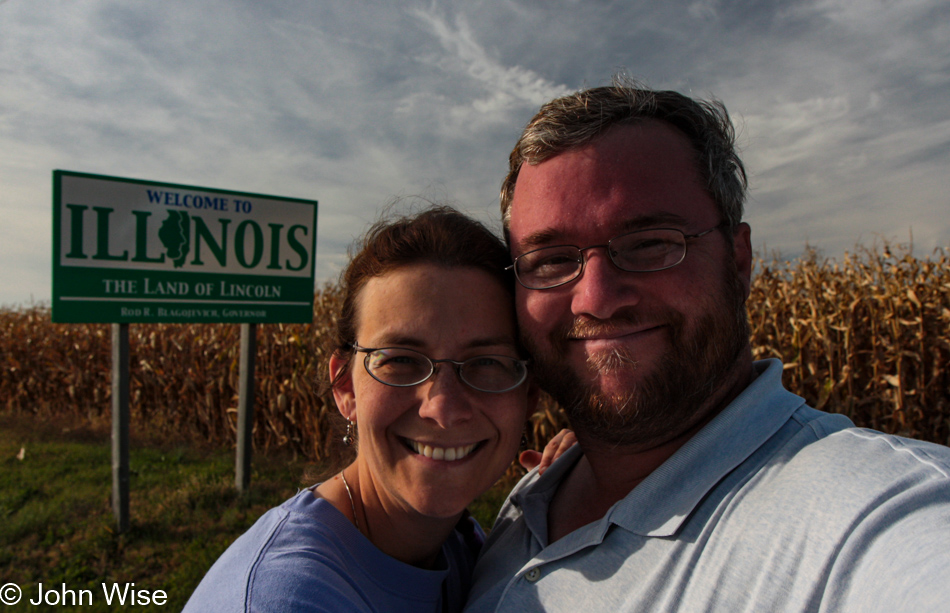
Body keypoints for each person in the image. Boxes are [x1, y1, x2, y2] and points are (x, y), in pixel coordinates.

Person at [464, 79, 950, 612]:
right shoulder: (527, 504)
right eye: (551, 260)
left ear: (738, 261)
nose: (596, 299)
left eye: (650, 243)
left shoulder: (879, 516)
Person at [184, 206, 547, 612]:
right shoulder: (286, 598)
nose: (443, 408)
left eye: (487, 363)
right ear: (345, 386)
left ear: (529, 394)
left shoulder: (463, 547)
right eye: (401, 360)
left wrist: (574, 485)